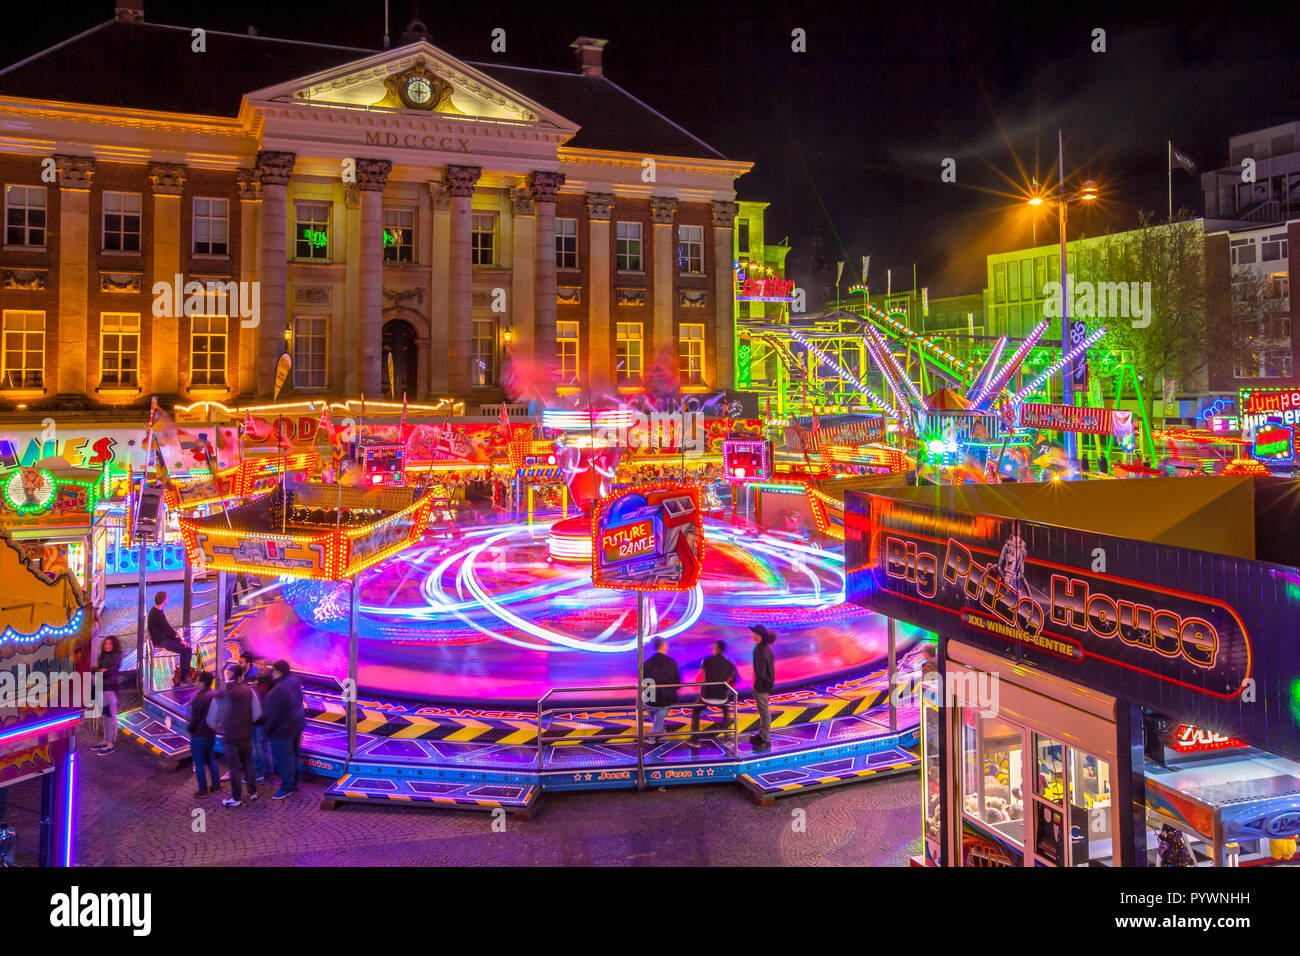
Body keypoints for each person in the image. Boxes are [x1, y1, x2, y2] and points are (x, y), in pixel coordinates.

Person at [213, 662, 261, 807]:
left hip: (230, 735)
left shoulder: (224, 692)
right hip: (245, 733)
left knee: (234, 766)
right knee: (247, 763)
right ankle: (253, 792)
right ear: (241, 676)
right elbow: (257, 713)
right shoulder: (249, 691)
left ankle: (236, 797)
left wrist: (218, 725)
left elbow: (216, 713)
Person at [262, 660, 306, 799]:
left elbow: (273, 715)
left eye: (274, 671)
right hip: (296, 725)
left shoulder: (278, 690)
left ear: (279, 672)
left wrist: (268, 730)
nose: (272, 673)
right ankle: (293, 783)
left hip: (283, 730)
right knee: (293, 756)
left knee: (283, 759)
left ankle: (287, 786)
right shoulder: (294, 681)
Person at [688, 641, 738, 748]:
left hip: (706, 696)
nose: (712, 649)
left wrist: (699, 687)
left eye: (714, 647)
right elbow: (733, 682)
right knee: (726, 709)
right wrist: (725, 690)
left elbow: (699, 677)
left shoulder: (706, 660)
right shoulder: (731, 664)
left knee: (696, 709)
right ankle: (727, 738)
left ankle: (694, 739)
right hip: (722, 697)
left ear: (717, 649)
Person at [187, 672, 223, 797]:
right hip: (210, 733)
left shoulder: (198, 699)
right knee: (211, 759)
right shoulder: (215, 694)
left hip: (199, 734)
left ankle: (203, 790)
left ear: (202, 683)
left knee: (199, 763)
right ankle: (216, 785)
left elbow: (195, 719)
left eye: (197, 681)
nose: (195, 682)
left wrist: (190, 729)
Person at [146, 591, 191, 682]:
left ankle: (183, 672)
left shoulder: (154, 610)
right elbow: (167, 628)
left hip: (160, 637)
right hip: (162, 640)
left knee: (184, 648)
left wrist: (177, 637)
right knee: (187, 650)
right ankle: (184, 677)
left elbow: (167, 628)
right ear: (164, 600)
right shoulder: (158, 614)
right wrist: (179, 640)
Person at [642, 637, 680, 744]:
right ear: (662, 645)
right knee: (662, 708)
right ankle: (653, 735)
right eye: (666, 645)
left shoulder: (647, 663)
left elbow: (645, 682)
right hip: (667, 698)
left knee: (650, 706)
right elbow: (677, 683)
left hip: (651, 698)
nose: (667, 647)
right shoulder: (672, 663)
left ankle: (660, 734)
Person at [91, 635, 122, 754]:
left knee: (111, 716)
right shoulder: (103, 657)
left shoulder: (116, 656)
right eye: (106, 644)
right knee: (105, 716)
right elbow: (96, 671)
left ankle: (111, 743)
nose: (107, 646)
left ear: (114, 646)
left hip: (110, 690)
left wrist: (100, 670)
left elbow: (109, 672)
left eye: (110, 644)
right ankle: (106, 740)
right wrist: (100, 670)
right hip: (102, 689)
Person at [749, 624, 778, 750]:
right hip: (763, 684)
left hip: (762, 685)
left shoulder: (761, 650)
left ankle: (765, 739)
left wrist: (756, 685)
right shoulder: (762, 648)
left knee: (764, 712)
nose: (752, 635)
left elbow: (761, 671)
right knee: (762, 711)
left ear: (758, 635)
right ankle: (762, 735)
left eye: (753, 633)